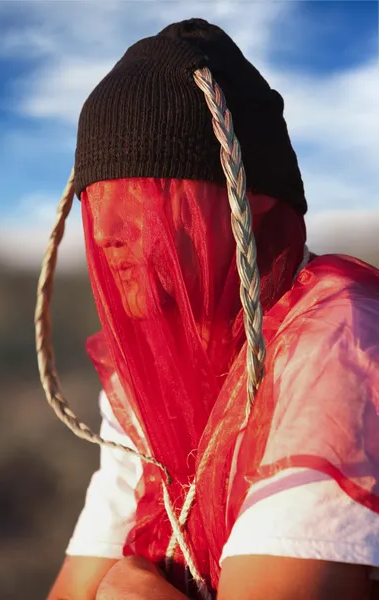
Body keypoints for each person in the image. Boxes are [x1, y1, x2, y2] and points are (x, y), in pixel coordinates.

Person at [46, 18, 379, 600]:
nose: (106, 233)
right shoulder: (144, 379)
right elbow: (76, 585)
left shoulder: (337, 346)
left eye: (142, 192)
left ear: (247, 204)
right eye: (98, 199)